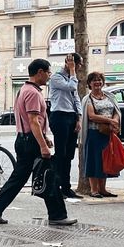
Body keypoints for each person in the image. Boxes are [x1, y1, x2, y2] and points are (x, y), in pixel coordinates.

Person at [0, 58, 75, 226]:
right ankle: (57, 215)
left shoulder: (23, 90)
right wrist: (42, 145)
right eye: (48, 72)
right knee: (50, 176)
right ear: (39, 72)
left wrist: (44, 137)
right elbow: (33, 120)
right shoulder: (33, 93)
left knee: (19, 178)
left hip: (23, 138)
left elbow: (31, 120)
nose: (49, 76)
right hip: (31, 141)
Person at [79, 71, 120, 198]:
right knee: (93, 161)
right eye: (94, 80)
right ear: (89, 84)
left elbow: (117, 111)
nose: (97, 82)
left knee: (105, 160)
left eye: (99, 80)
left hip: (108, 133)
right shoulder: (88, 99)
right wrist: (110, 120)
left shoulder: (109, 96)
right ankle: (94, 190)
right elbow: (91, 116)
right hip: (94, 134)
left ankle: (103, 189)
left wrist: (115, 121)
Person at [47, 52, 81, 199]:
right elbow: (72, 87)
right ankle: (55, 186)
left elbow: (77, 98)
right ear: (69, 63)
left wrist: (78, 118)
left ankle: (66, 187)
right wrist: (72, 70)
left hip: (71, 116)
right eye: (77, 64)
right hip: (59, 116)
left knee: (69, 155)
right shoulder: (56, 78)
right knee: (60, 154)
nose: (78, 67)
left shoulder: (71, 78)